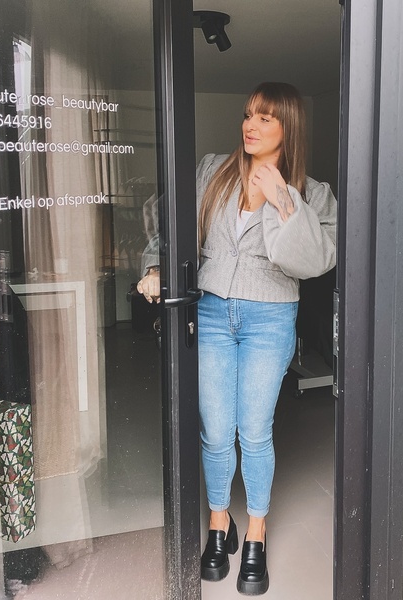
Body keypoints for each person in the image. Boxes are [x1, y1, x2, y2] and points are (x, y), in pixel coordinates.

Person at [137, 82, 336, 596]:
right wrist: (156, 266)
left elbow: (316, 261)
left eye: (266, 118)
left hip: (270, 317)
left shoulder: (313, 193)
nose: (251, 125)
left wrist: (284, 200)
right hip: (209, 311)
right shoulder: (213, 170)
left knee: (254, 430)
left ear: (288, 128)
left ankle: (256, 532)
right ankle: (219, 522)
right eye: (249, 114)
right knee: (215, 429)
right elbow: (163, 218)